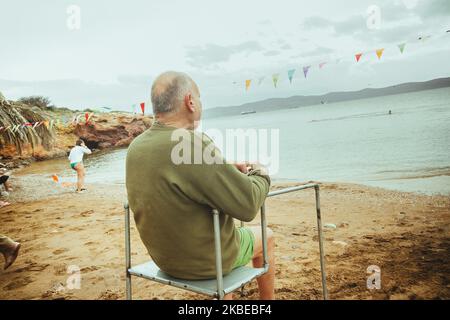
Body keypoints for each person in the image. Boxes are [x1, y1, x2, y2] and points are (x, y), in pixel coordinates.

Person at [126, 71, 275, 300]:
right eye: (200, 98)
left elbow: (182, 178)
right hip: (206, 262)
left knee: (220, 232)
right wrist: (261, 173)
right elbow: (247, 204)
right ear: (190, 101)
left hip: (165, 260)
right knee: (267, 235)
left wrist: (224, 167)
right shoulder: (191, 144)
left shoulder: (136, 148)